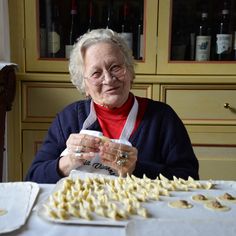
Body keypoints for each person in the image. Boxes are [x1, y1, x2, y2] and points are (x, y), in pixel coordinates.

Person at [25, 29, 199, 183]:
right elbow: (33, 178)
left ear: (130, 71)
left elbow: (189, 178)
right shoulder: (68, 118)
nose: (108, 79)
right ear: (84, 85)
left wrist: (135, 169)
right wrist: (69, 161)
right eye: (96, 73)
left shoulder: (163, 117)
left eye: (115, 67)